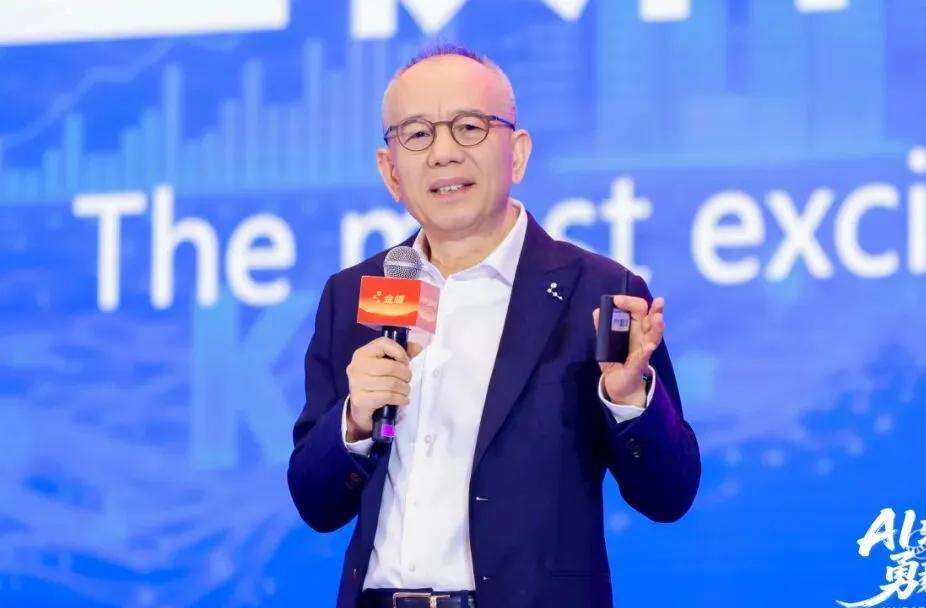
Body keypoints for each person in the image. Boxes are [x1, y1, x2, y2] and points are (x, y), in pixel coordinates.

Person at [287, 43, 700, 608]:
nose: (444, 153)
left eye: (469, 127)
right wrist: (356, 420)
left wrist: (628, 401)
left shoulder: (598, 292)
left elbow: (669, 495)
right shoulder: (353, 294)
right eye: (418, 134)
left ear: (518, 153)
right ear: (390, 172)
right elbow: (315, 502)